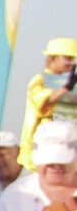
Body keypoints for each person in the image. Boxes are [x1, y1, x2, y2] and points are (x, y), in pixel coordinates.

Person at [20, 39, 77, 170]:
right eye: (68, 58)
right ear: (54, 58)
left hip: (65, 153)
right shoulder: (39, 81)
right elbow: (43, 103)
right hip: (37, 157)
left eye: (73, 59)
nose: (71, 63)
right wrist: (67, 87)